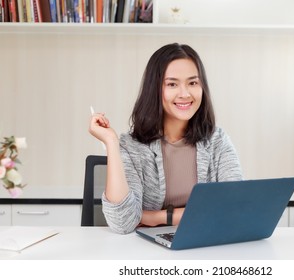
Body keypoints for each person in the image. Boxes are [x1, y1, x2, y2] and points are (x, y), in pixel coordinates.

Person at [89, 43, 242, 234]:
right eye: (172, 84)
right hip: (146, 253)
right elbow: (123, 223)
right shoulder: (131, 146)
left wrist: (154, 217)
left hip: (203, 246)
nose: (185, 94)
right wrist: (111, 143)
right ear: (155, 89)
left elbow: (234, 209)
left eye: (193, 83)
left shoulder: (217, 141)